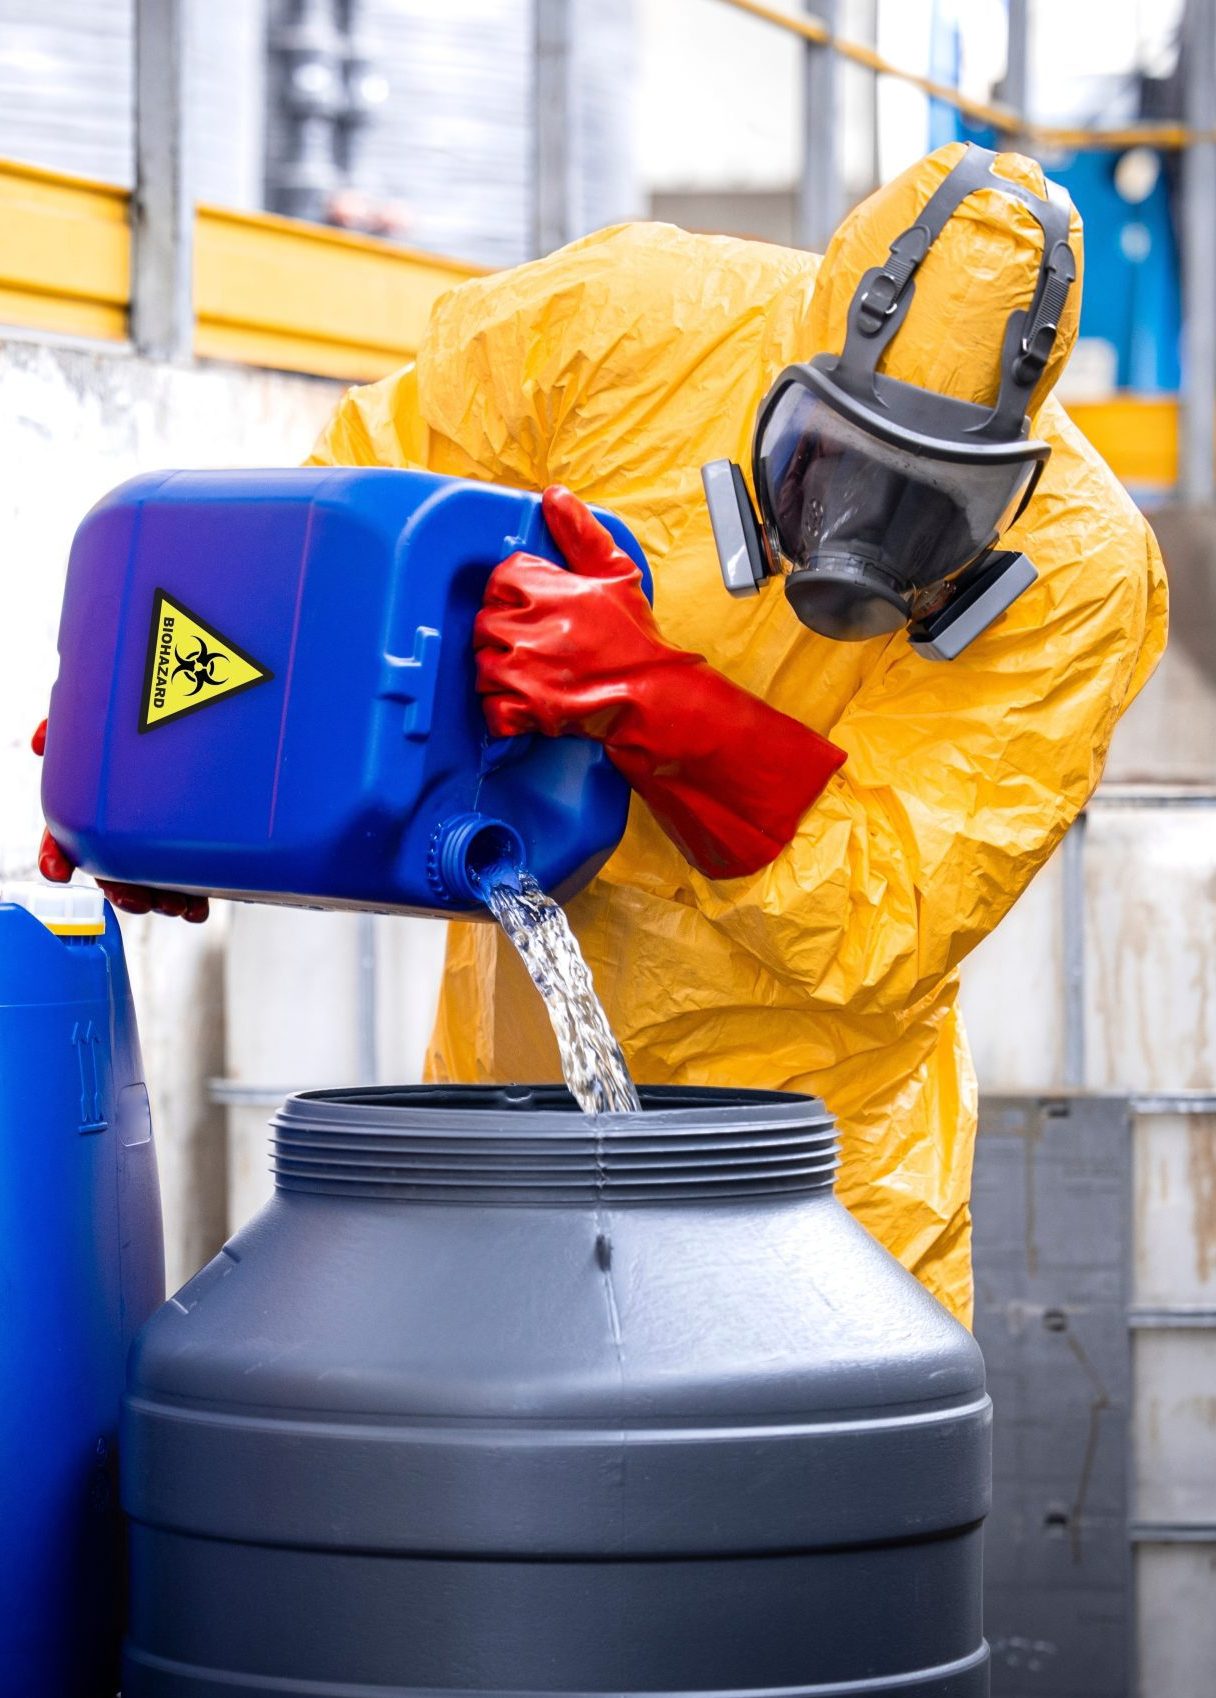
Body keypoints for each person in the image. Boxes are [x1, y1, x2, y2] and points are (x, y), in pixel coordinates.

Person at [39, 144, 1167, 1325]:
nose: (858, 536)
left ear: (1013, 482)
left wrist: (652, 699)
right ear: (794, 355)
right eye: (830, 464)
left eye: (929, 502)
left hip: (815, 1192)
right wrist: (182, 778)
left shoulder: (1081, 573)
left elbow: (887, 913)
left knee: (796, 1499)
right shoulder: (621, 329)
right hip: (512, 1125)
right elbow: (342, 538)